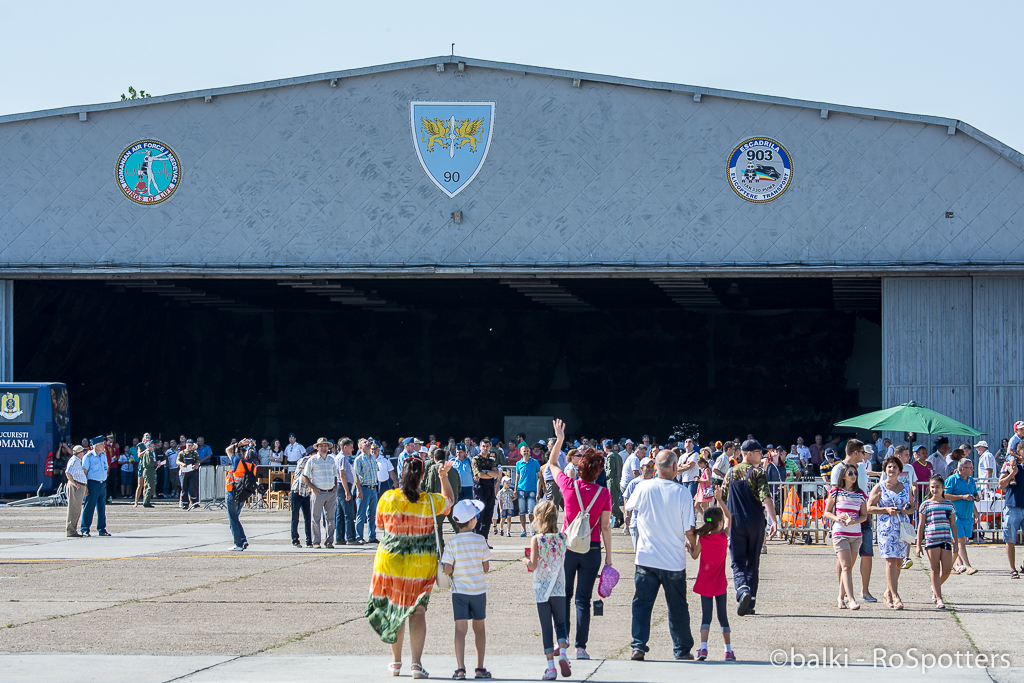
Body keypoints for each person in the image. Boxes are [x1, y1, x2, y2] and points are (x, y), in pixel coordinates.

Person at [366, 457, 455, 679]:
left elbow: (379, 524)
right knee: (418, 611)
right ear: (423, 476)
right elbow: (449, 502)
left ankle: (396, 663)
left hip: (391, 562)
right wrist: (443, 477)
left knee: (395, 608)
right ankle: (416, 664)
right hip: (420, 564)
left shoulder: (388, 497)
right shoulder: (429, 500)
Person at [548, 419, 612, 661]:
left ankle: (561, 639)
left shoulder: (568, 486)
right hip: (592, 548)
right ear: (598, 471)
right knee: (583, 599)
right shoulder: (603, 493)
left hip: (568, 547)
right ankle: (581, 647)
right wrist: (609, 556)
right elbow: (605, 526)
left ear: (580, 467)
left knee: (564, 594)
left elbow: (552, 463)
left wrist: (560, 439)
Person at [626, 448, 696, 661]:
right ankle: (682, 650)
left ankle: (638, 645)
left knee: (642, 604)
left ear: (656, 466)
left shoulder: (643, 487)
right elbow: (689, 529)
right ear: (675, 467)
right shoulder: (682, 493)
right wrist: (694, 546)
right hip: (673, 560)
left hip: (646, 557)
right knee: (677, 607)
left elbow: (628, 507)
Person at [721, 440, 779, 616]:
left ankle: (742, 591)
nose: (762, 455)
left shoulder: (730, 473)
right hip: (755, 521)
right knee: (753, 561)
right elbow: (766, 497)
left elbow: (722, 496)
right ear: (749, 454)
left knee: (737, 560)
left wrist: (722, 520)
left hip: (736, 521)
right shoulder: (758, 473)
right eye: (759, 452)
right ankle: (750, 602)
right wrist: (774, 520)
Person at [441, 499, 492, 681]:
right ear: (472, 521)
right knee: (479, 628)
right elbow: (486, 568)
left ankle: (460, 669)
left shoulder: (452, 543)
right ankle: (479, 668)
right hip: (478, 590)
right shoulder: (480, 540)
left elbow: (447, 569)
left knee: (460, 629)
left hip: (459, 592)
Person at [521, 500, 572, 680]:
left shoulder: (537, 539)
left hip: (542, 588)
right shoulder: (562, 538)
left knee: (546, 627)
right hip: (558, 586)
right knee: (560, 623)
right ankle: (564, 654)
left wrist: (526, 561)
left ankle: (550, 668)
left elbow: (534, 565)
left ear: (539, 519)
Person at [830, 439, 876, 603]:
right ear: (856, 452)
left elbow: (861, 491)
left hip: (861, 515)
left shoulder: (861, 467)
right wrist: (838, 519)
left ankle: (865, 591)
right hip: (843, 522)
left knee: (867, 553)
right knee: (844, 562)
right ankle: (843, 594)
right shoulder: (838, 469)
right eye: (863, 452)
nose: (865, 456)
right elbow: (835, 496)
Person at [691, 494, 733, 662]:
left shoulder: (703, 539)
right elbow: (729, 516)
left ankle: (703, 648)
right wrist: (720, 499)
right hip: (720, 583)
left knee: (705, 616)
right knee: (723, 616)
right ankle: (728, 650)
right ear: (720, 523)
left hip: (705, 583)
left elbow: (694, 556)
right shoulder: (723, 538)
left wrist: (690, 548)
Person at [868, 455, 914, 610]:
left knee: (899, 562)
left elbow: (913, 506)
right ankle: (895, 596)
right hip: (886, 528)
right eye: (889, 467)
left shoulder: (906, 487)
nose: (892, 470)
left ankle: (888, 592)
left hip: (902, 528)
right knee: (890, 561)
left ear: (900, 470)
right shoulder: (879, 487)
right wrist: (885, 510)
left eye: (895, 467)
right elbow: (868, 507)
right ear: (885, 470)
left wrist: (907, 509)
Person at [825, 463, 868, 611]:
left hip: (856, 534)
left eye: (855, 473)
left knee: (848, 568)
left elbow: (864, 516)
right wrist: (838, 518)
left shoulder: (861, 494)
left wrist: (854, 520)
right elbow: (827, 511)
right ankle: (851, 599)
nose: (853, 476)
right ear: (843, 476)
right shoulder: (835, 492)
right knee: (846, 566)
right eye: (850, 473)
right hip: (840, 533)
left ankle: (840, 597)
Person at [916, 474, 958, 609]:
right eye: (932, 487)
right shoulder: (925, 505)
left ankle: (935, 587)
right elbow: (921, 525)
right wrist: (918, 545)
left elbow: (953, 525)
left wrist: (956, 542)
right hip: (931, 539)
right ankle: (939, 598)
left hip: (945, 539)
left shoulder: (949, 505)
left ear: (943, 488)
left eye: (938, 487)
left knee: (946, 570)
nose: (935, 490)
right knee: (935, 569)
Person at [423, 448, 461, 554]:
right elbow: (459, 487)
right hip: (452, 501)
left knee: (437, 528)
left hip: (438, 504)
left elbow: (429, 487)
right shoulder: (453, 469)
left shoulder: (433, 468)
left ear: (434, 458)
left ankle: (440, 552)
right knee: (458, 527)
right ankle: (463, 549)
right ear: (445, 457)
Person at [945, 458, 978, 574]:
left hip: (967, 516)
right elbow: (946, 495)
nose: (973, 470)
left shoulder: (971, 480)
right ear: (963, 469)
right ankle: (968, 566)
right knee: (961, 541)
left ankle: (948, 567)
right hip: (955, 516)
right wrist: (962, 497)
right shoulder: (952, 480)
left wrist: (976, 497)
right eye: (971, 468)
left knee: (958, 543)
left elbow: (974, 492)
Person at [225, 439, 257, 551]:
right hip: (243, 495)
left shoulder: (238, 462)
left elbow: (228, 450)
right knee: (236, 518)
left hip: (233, 494)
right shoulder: (254, 466)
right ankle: (243, 540)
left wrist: (238, 444)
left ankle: (238, 543)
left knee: (233, 520)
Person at [999, 441, 1024, 578]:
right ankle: (1012, 568)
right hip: (1013, 506)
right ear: (1019, 451)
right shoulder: (1010, 465)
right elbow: (1001, 484)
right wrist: (1012, 474)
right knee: (1010, 539)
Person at [81, 436, 111, 537]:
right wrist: (85, 486)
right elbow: (84, 472)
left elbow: (106, 468)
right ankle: (85, 529)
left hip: (102, 483)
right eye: (102, 444)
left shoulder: (103, 455)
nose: (104, 446)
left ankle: (102, 529)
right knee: (89, 506)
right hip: (92, 483)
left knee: (101, 507)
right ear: (96, 446)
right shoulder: (88, 456)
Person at [623, 456, 655, 551]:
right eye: (647, 467)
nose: (650, 469)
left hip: (652, 523)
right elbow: (627, 501)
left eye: (651, 466)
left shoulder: (656, 482)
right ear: (641, 468)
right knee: (639, 552)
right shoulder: (634, 483)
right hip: (637, 522)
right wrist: (627, 516)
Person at [472, 439, 500, 542]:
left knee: (488, 516)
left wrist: (485, 472)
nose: (485, 448)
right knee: (479, 515)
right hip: (479, 489)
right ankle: (476, 540)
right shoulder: (476, 459)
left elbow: (496, 473)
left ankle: (484, 541)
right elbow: (479, 474)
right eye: (483, 446)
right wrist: (488, 474)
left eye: (487, 446)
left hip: (489, 489)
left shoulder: (491, 460)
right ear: (480, 447)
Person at [354, 441, 380, 545]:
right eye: (365, 443)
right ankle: (359, 536)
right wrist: (359, 490)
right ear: (360, 447)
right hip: (364, 488)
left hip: (373, 488)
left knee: (372, 514)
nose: (368, 443)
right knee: (361, 514)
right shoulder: (359, 459)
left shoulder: (373, 458)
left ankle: (372, 536)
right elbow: (356, 476)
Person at [333, 437, 358, 545]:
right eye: (351, 447)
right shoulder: (342, 458)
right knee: (349, 513)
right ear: (345, 447)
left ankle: (339, 538)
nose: (352, 450)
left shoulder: (339, 457)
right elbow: (342, 474)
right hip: (344, 486)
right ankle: (351, 537)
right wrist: (347, 491)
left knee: (340, 514)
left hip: (340, 487)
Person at [516, 443, 542, 536]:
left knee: (531, 512)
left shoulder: (535, 462)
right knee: (522, 512)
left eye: (527, 451)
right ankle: (523, 530)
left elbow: (540, 476)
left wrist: (542, 488)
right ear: (521, 452)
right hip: (521, 489)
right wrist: (515, 490)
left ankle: (532, 528)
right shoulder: (518, 463)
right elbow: (517, 477)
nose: (526, 452)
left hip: (532, 489)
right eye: (524, 451)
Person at [290, 446, 313, 548]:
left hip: (306, 493)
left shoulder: (314, 462)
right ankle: (295, 540)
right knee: (295, 517)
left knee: (308, 517)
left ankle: (309, 541)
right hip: (297, 491)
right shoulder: (305, 460)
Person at [64, 444, 87, 537]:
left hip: (80, 486)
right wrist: (74, 483)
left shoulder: (77, 460)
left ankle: (73, 530)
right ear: (79, 453)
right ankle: (70, 530)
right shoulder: (74, 461)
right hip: (76, 487)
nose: (84, 453)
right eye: (82, 452)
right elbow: (68, 472)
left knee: (76, 509)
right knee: (73, 509)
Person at [603, 440, 623, 528]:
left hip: (611, 480)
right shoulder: (617, 455)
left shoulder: (610, 456)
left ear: (605, 447)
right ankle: (617, 517)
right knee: (614, 499)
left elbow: (610, 470)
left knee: (613, 501)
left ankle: (618, 516)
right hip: (617, 478)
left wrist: (605, 477)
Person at [178, 440, 200, 510]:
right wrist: (182, 464)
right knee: (184, 488)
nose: (190, 447)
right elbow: (177, 461)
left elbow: (198, 461)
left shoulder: (195, 453)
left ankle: (194, 502)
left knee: (193, 487)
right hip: (184, 472)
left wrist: (196, 465)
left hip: (192, 472)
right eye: (189, 445)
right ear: (186, 444)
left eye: (191, 445)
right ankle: (185, 503)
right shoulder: (182, 453)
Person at [138, 440, 157, 508]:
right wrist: (156, 463)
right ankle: (146, 501)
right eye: (152, 446)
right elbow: (150, 463)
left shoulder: (149, 452)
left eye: (153, 446)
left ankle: (146, 501)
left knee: (147, 486)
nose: (153, 447)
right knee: (150, 487)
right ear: (148, 446)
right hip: (148, 471)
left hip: (149, 471)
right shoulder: (148, 452)